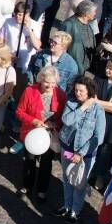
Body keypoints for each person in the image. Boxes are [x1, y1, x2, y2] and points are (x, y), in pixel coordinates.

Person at [57, 75, 106, 224]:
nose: (78, 93)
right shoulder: (71, 103)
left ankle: (75, 211)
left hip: (85, 154)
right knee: (66, 178)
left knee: (79, 183)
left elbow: (99, 137)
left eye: (81, 91)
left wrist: (81, 153)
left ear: (89, 92)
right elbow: (67, 120)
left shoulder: (98, 110)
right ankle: (66, 205)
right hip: (67, 147)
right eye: (76, 90)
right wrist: (82, 107)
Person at [16, 64, 67, 201]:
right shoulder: (30, 91)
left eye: (53, 83)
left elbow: (64, 117)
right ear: (40, 79)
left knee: (46, 163)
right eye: (46, 82)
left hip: (49, 134)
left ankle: (42, 190)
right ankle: (27, 186)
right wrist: (34, 121)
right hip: (32, 133)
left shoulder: (61, 95)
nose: (50, 86)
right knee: (29, 161)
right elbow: (19, 112)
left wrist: (55, 124)